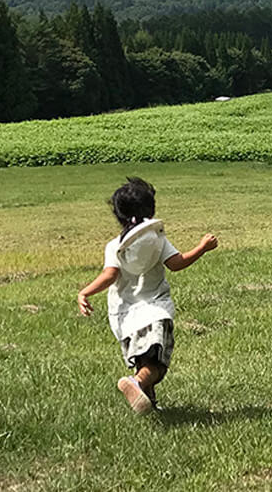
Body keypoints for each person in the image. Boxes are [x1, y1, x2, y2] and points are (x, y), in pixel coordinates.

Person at [77, 177, 219, 414]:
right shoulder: (157, 240)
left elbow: (110, 275)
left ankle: (148, 403)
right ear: (151, 210)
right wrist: (202, 247)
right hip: (154, 311)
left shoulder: (115, 246)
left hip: (124, 316)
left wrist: (85, 291)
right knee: (156, 365)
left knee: (143, 360)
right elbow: (176, 263)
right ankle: (135, 384)